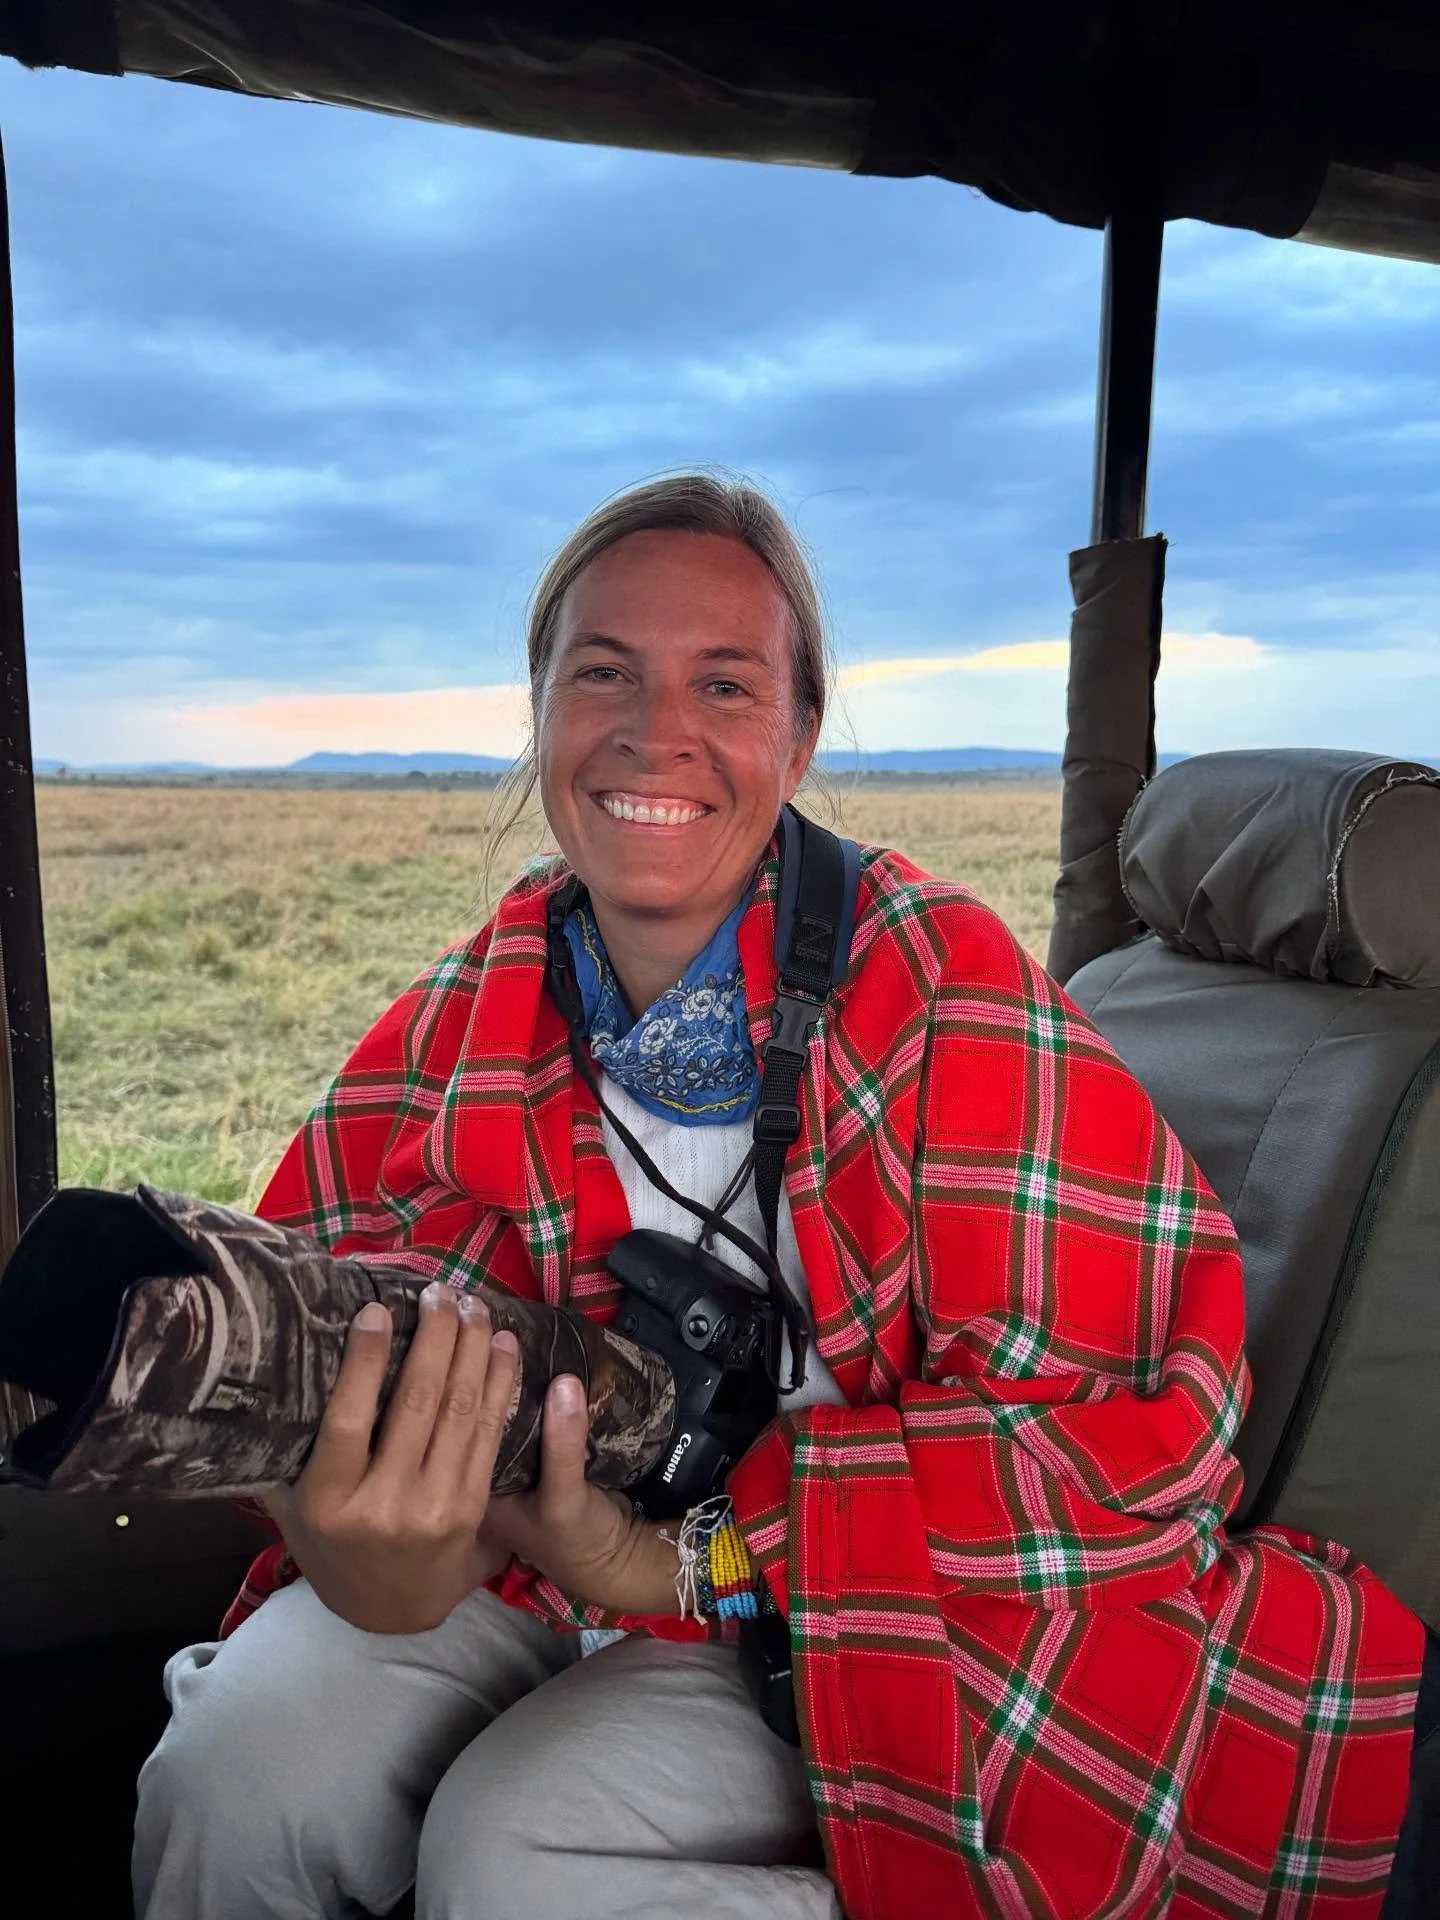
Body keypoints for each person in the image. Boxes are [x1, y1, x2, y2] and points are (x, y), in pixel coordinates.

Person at [133, 474, 1426, 1920]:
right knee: (238, 1773)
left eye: (725, 683)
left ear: (799, 735)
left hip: (853, 1597)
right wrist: (352, 1545)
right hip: (526, 1572)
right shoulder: (463, 1015)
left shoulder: (942, 987)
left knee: (518, 1851)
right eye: (603, 671)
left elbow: (1128, 1443)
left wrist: (667, 1561)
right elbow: (306, 1340)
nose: (653, 730)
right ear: (542, 709)